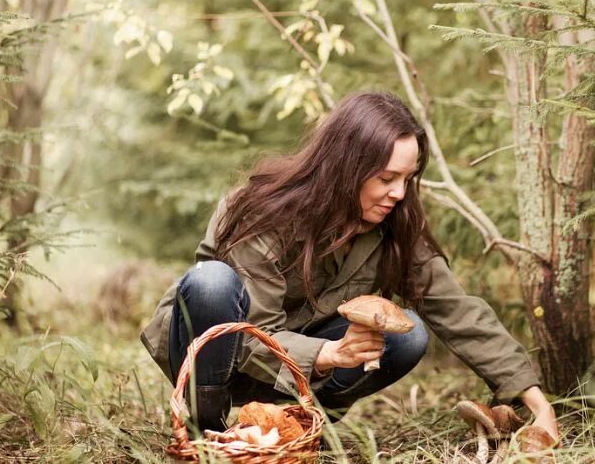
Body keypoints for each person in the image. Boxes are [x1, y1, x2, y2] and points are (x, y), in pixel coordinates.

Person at [140, 91, 559, 439]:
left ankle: (297, 427)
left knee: (406, 336)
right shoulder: (261, 211)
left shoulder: (394, 221)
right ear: (346, 167)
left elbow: (456, 308)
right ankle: (205, 434)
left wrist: (536, 402)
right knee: (211, 282)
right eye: (386, 178)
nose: (398, 193)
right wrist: (326, 352)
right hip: (219, 358)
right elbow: (248, 336)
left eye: (408, 179)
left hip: (297, 375)